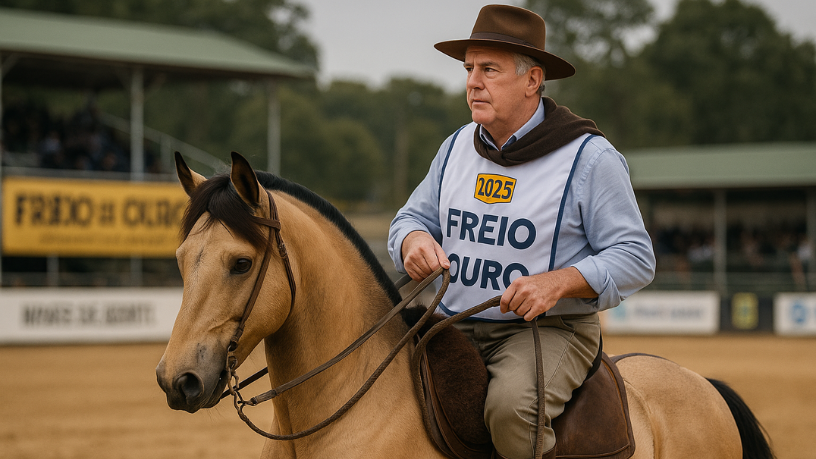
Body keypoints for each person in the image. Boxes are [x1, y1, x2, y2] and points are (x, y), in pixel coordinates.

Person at [387, 5, 656, 459]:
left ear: (532, 80)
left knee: (513, 410)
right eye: (470, 68)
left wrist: (558, 282)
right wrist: (412, 242)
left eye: (489, 69)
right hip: (451, 324)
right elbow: (408, 220)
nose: (473, 81)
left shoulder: (590, 157)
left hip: (549, 331)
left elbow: (635, 256)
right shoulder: (455, 146)